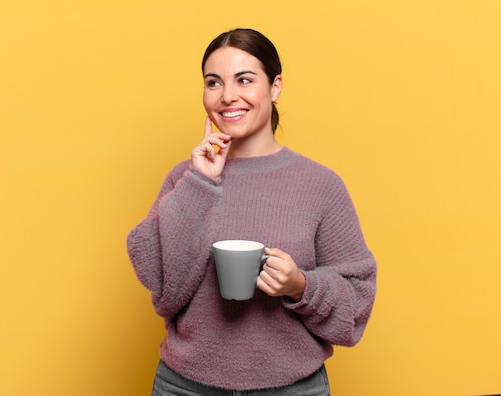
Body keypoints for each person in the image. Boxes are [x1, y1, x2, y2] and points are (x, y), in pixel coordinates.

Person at [127, 28, 377, 395]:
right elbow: (163, 285)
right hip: (185, 386)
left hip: (293, 388)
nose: (228, 95)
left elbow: (357, 303)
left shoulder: (321, 185)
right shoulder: (185, 179)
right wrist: (200, 183)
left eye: (244, 79)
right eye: (213, 82)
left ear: (275, 87)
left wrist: (300, 286)